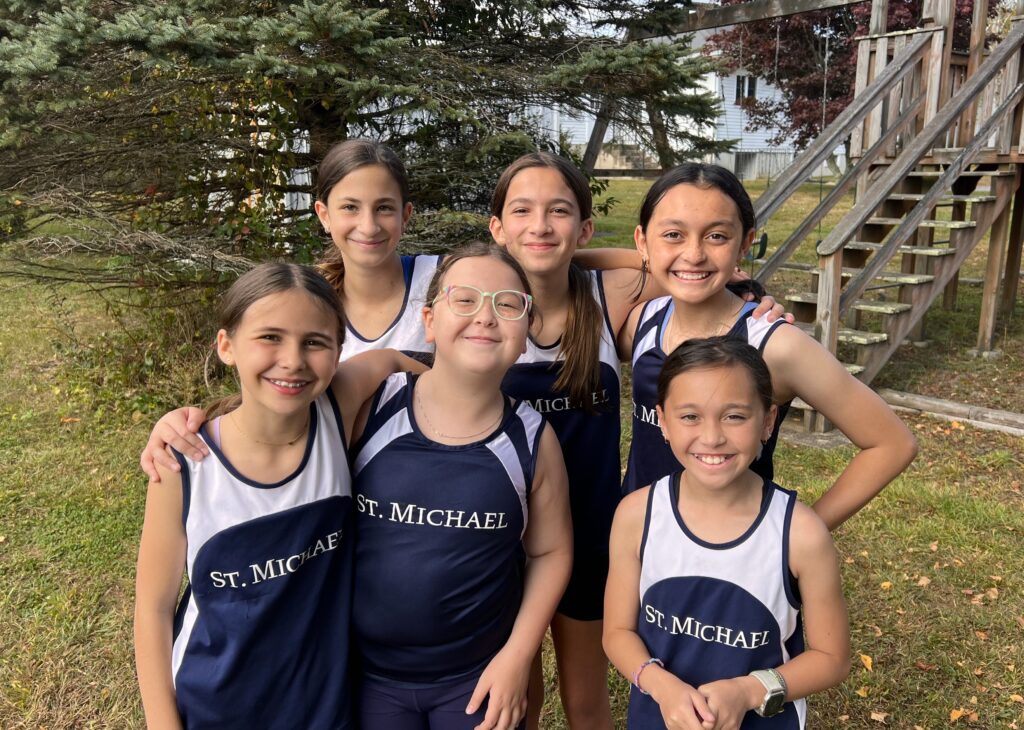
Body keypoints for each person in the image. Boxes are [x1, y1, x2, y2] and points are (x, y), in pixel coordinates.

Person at [490, 152, 788, 730]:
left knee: (586, 699)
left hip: (598, 532)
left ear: (584, 227)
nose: (540, 226)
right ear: (497, 228)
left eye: (560, 212)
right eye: (521, 212)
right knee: (515, 701)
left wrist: (757, 293)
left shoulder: (611, 300)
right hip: (503, 536)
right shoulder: (482, 313)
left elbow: (688, 268)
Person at [133, 263, 424, 729]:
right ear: (226, 345)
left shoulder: (336, 408)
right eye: (270, 337)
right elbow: (153, 609)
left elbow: (390, 359)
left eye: (314, 342)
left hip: (326, 707)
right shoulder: (182, 464)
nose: (292, 360)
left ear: (337, 352)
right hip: (217, 707)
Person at [618, 163, 917, 530]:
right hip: (640, 545)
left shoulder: (775, 344)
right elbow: (567, 267)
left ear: (745, 243)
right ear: (642, 241)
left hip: (733, 564)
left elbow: (892, 444)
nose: (694, 254)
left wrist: (794, 535)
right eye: (673, 235)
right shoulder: (642, 321)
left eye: (716, 237)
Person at [351, 242, 572, 730]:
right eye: (465, 299)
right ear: (429, 320)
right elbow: (281, 419)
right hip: (364, 676)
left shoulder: (533, 438)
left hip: (474, 681)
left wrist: (517, 657)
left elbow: (551, 553)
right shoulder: (373, 406)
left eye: (507, 304)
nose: (486, 317)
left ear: (527, 328)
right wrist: (193, 420)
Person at [604, 337, 851, 730]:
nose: (712, 437)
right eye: (690, 417)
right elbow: (617, 632)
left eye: (734, 416)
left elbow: (832, 657)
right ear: (663, 421)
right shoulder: (636, 515)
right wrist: (663, 687)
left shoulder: (802, 534)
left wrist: (749, 691)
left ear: (767, 421)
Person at [314, 138, 441, 364]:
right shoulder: (309, 303)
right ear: (324, 215)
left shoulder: (443, 280)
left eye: (384, 208)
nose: (369, 227)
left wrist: (392, 363)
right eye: (350, 207)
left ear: (405, 215)